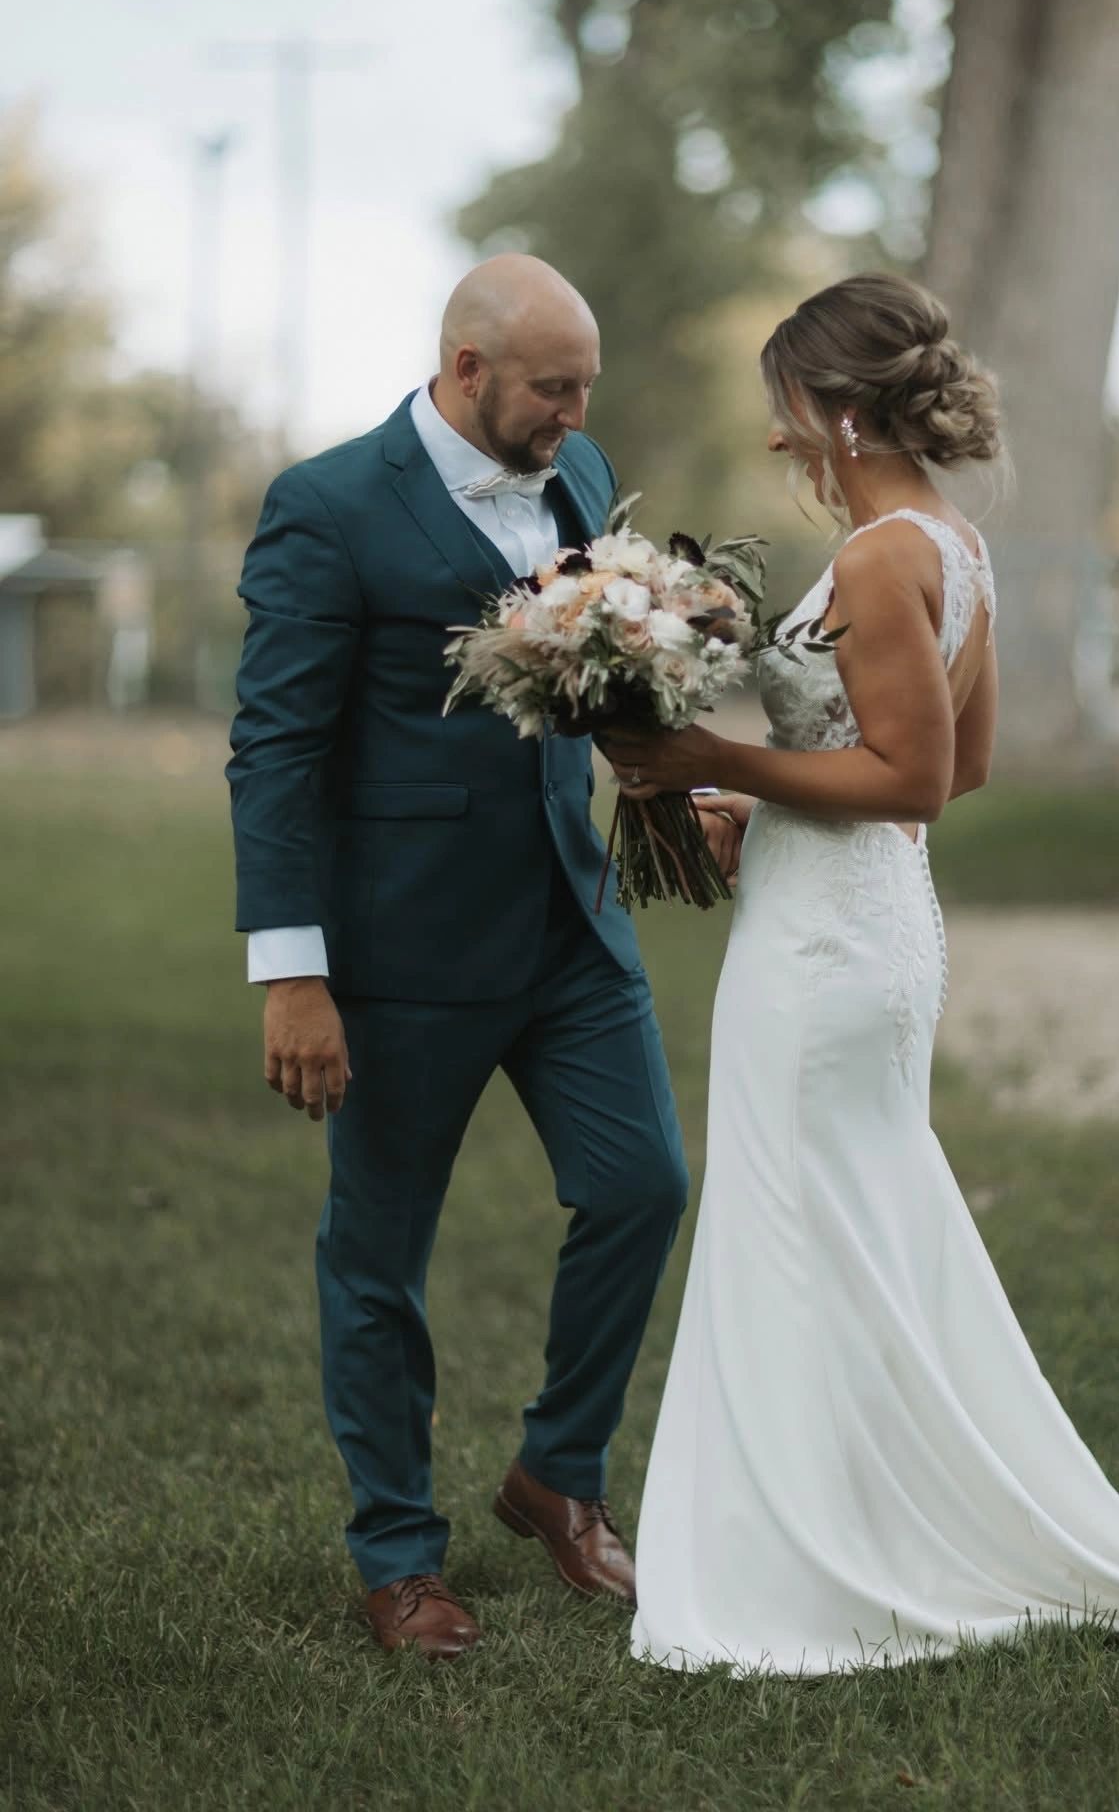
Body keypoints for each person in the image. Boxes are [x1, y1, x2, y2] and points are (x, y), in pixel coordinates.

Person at [605, 270, 1119, 1676]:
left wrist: (715, 758)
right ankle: (854, 1516)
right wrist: (752, 806)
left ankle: (801, 1563)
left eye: (786, 413)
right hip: (855, 921)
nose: (778, 441)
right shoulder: (953, 544)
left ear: (834, 412)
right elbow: (964, 756)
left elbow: (916, 776)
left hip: (832, 943)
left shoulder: (885, 556)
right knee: (844, 1222)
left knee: (791, 1222)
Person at [227, 254, 741, 1661]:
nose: (577, 413)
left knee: (641, 1185)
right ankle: (399, 1558)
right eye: (552, 387)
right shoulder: (326, 509)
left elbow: (595, 679)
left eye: (586, 387)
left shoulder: (578, 475)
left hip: (570, 929)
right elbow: (273, 749)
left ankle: (554, 1477)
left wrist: (666, 777)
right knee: (380, 1259)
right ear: (466, 371)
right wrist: (294, 972)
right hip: (397, 952)